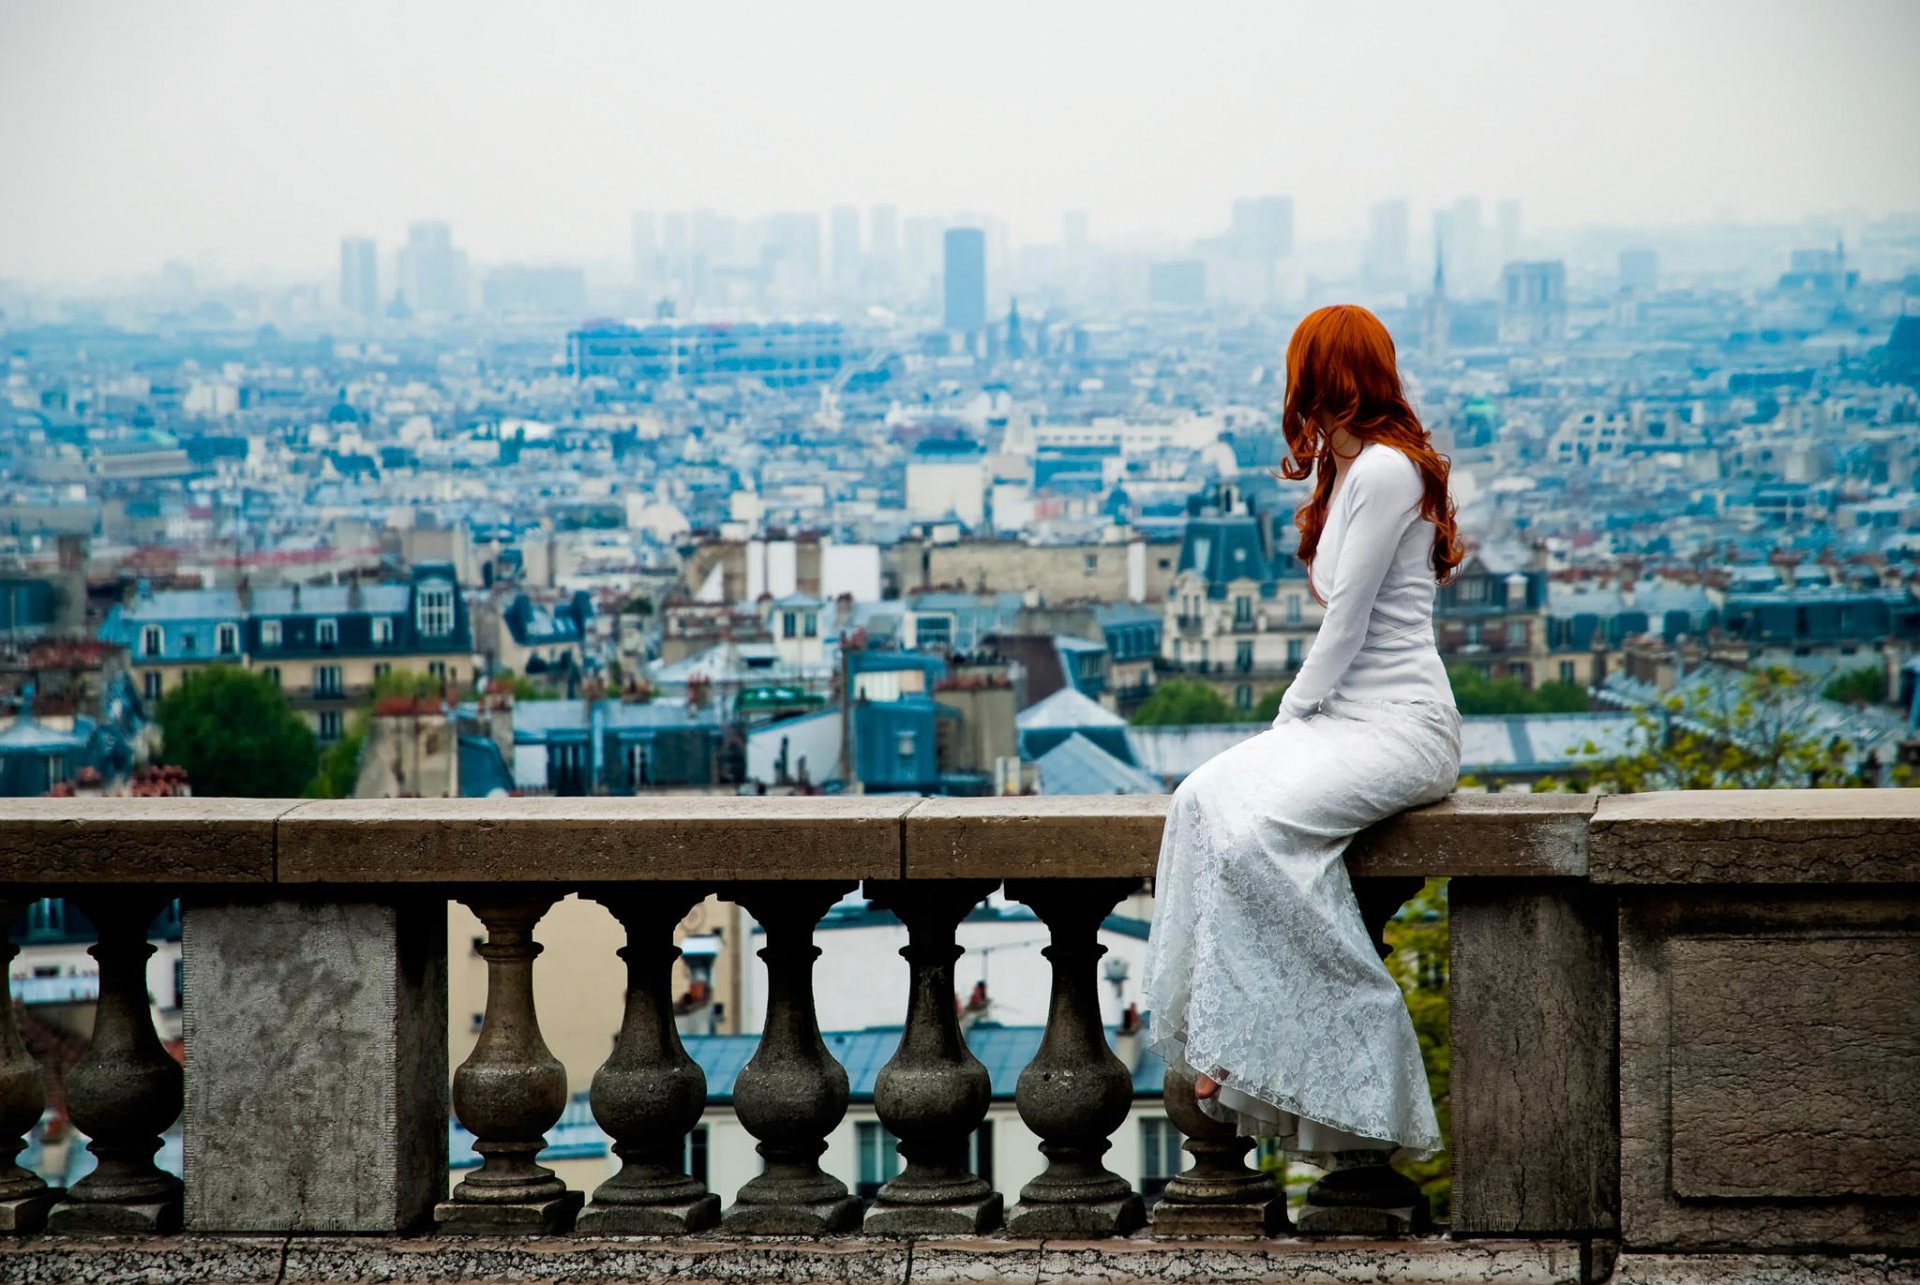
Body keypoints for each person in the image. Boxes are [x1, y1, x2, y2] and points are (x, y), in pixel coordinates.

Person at [1140, 303, 1465, 1163]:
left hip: (1401, 724)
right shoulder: (1351, 471)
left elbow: (1350, 619)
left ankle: (1350, 1042)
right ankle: (1222, 1026)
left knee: (1262, 835)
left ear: (1321, 375)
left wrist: (1288, 718)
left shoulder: (1389, 470)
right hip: (1343, 721)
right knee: (1200, 797)